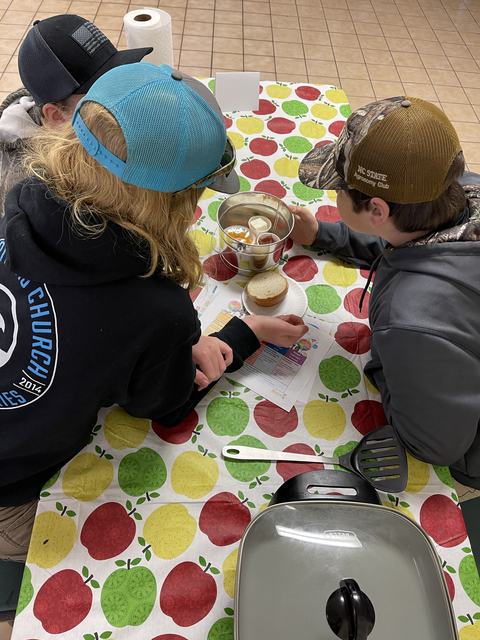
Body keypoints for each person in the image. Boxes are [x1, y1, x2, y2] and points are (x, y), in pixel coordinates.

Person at [0, 62, 307, 561]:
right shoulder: (154, 309)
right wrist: (242, 332)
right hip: (10, 491)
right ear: (181, 204)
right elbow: (162, 403)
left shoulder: (17, 198)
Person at [292, 96, 480, 488]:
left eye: (338, 189)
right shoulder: (461, 191)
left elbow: (435, 444)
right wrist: (322, 235)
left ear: (377, 209)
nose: (334, 197)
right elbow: (411, 239)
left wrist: (386, 365)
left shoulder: (411, 319)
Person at [0, 13, 153, 215]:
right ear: (56, 115)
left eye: (114, 77)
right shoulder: (29, 190)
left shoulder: (60, 106)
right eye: (100, 93)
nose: (117, 96)